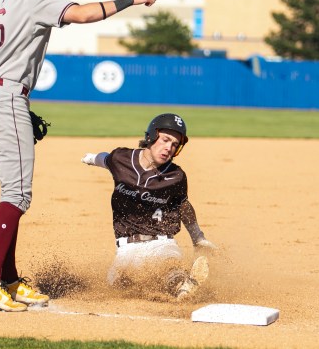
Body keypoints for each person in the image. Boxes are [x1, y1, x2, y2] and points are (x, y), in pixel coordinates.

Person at [0, 0, 164, 312]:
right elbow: (84, 15)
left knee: (12, 192)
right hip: (5, 97)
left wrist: (5, 92)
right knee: (17, 196)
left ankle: (8, 279)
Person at [81, 113, 217, 301]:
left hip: (161, 243)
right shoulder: (121, 158)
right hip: (125, 250)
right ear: (152, 136)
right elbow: (106, 159)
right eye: (165, 140)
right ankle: (179, 285)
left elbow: (183, 205)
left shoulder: (176, 176)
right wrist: (90, 158)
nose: (169, 148)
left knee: (168, 269)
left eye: (175, 145)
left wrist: (198, 237)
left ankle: (184, 285)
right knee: (119, 288)